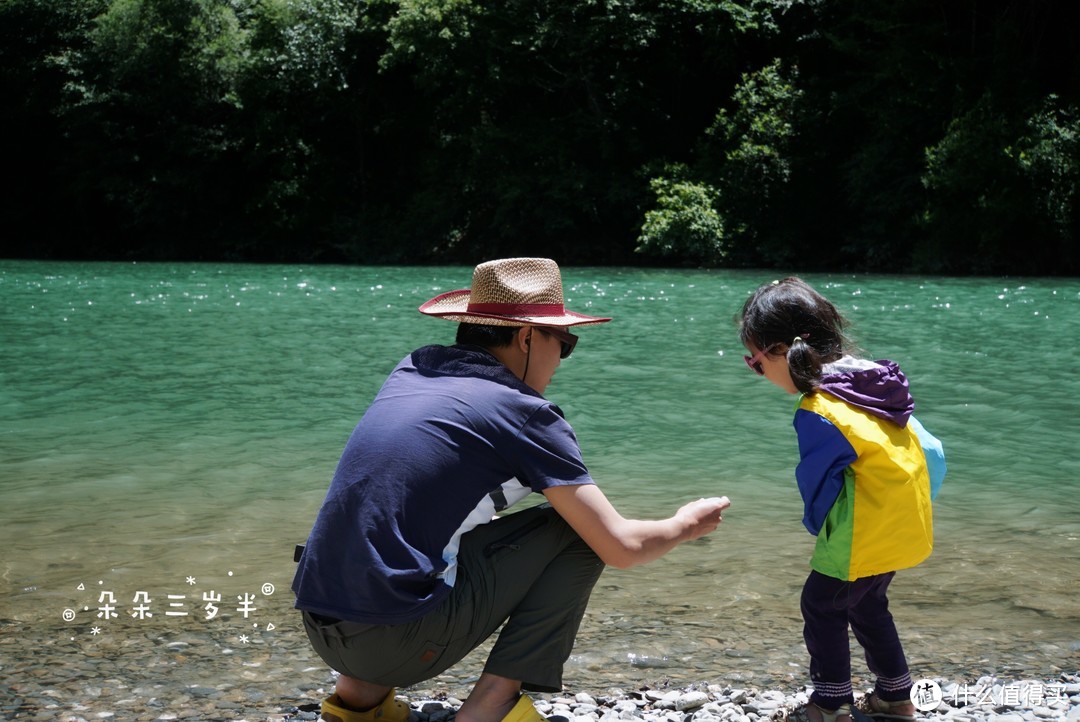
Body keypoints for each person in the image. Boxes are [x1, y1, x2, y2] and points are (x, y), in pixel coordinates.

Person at [293, 257, 731, 722]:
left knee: (409, 538)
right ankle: (491, 706)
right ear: (526, 337)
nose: (561, 360)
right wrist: (685, 525)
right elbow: (620, 547)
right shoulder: (526, 413)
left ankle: (358, 703)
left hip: (320, 622)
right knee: (574, 533)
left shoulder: (415, 368)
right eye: (563, 343)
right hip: (393, 641)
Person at [737, 278, 945, 722]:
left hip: (860, 533)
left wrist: (818, 525)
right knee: (867, 603)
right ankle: (894, 696)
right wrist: (910, 503)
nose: (758, 372)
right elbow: (933, 451)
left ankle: (830, 703)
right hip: (906, 522)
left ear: (781, 351)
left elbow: (818, 485)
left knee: (821, 603)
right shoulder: (874, 382)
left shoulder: (818, 408)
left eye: (755, 362)